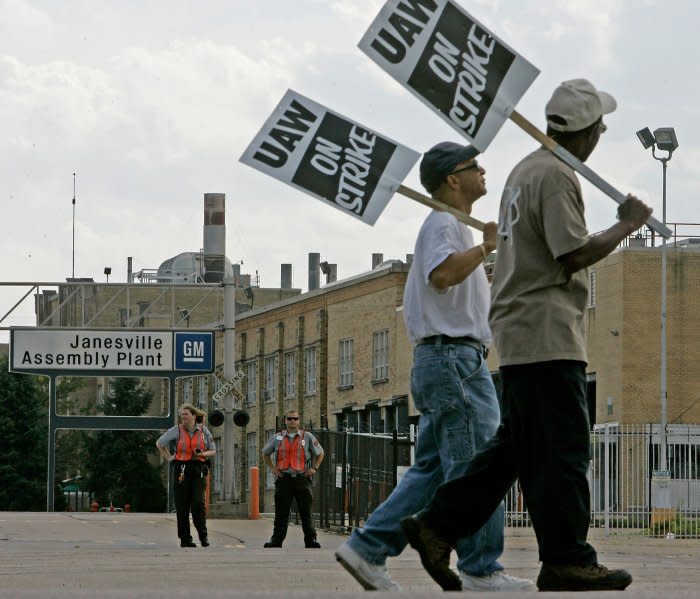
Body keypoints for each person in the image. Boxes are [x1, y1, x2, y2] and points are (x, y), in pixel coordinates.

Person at [400, 79, 653, 592]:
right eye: (600, 124)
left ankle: (437, 525)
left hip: (519, 333)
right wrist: (626, 225)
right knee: (563, 452)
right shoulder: (557, 176)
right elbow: (572, 253)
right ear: (587, 131)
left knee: (514, 449)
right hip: (547, 331)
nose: (604, 129)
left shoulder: (522, 171)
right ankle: (566, 558)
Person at [335, 142, 534, 592]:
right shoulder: (444, 223)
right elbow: (442, 275)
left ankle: (367, 547)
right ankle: (481, 567)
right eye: (474, 167)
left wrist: (486, 255)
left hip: (444, 360)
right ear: (452, 179)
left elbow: (454, 285)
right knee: (477, 467)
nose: (484, 172)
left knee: (433, 470)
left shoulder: (452, 227)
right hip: (455, 361)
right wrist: (485, 246)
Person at [262, 410, 324, 548]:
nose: (292, 421)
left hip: (301, 478)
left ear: (299, 421)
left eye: (295, 419)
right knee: (281, 513)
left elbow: (320, 453)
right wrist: (273, 468)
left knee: (306, 512)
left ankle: (311, 540)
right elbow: (265, 453)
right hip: (284, 479)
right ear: (285, 421)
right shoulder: (277, 437)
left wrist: (314, 468)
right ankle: (276, 540)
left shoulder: (307, 436)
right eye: (289, 419)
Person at [156, 403, 216, 548]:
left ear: (194, 416)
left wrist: (202, 454)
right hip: (181, 468)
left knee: (198, 503)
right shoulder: (177, 430)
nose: (183, 417)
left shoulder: (203, 431)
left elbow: (213, 451)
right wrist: (169, 457)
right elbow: (159, 443)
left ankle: (203, 536)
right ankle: (185, 539)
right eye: (182, 415)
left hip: (198, 468)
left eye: (186, 415)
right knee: (182, 505)